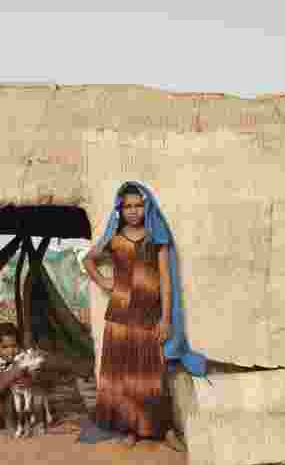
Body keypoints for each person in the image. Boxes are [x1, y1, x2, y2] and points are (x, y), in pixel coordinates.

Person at [80, 181, 208, 449]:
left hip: (150, 314)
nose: (133, 210)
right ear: (120, 209)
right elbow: (88, 260)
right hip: (120, 314)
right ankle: (131, 429)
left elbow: (166, 280)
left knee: (154, 375)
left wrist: (166, 319)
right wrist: (103, 281)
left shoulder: (156, 236)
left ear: (146, 206)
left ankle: (166, 431)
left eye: (138, 205)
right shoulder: (114, 238)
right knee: (125, 374)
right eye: (127, 206)